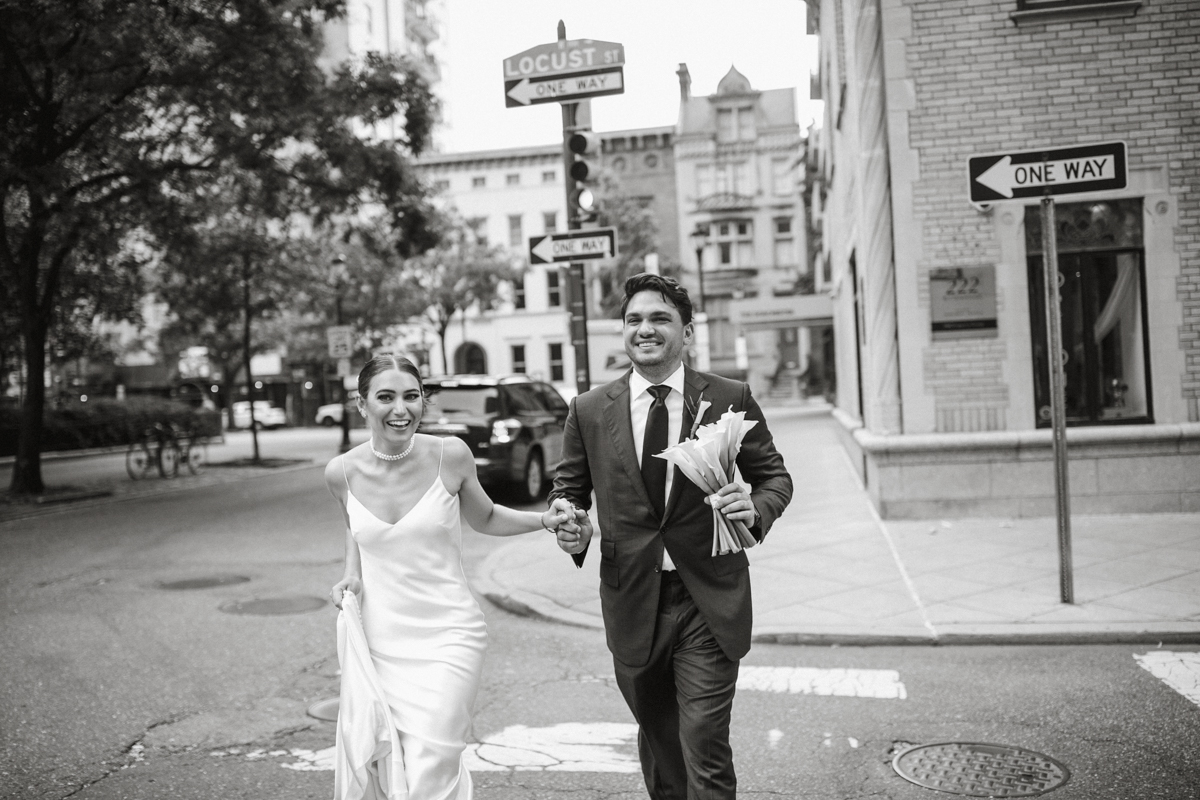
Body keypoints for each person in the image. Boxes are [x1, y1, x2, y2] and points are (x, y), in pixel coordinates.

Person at [548, 274, 793, 800]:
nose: (645, 329)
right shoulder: (589, 410)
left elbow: (775, 478)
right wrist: (570, 524)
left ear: (686, 330)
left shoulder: (729, 397)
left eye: (660, 318)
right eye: (634, 319)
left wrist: (757, 507)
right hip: (633, 599)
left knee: (703, 739)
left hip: (708, 596)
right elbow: (569, 490)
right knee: (661, 742)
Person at [325, 355, 580, 800]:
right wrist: (351, 575)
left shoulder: (451, 455)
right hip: (381, 640)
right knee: (392, 764)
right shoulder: (340, 473)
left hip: (449, 635)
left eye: (411, 396)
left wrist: (546, 521)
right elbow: (355, 528)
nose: (400, 409)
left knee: (431, 763)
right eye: (385, 397)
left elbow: (486, 517)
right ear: (361, 404)